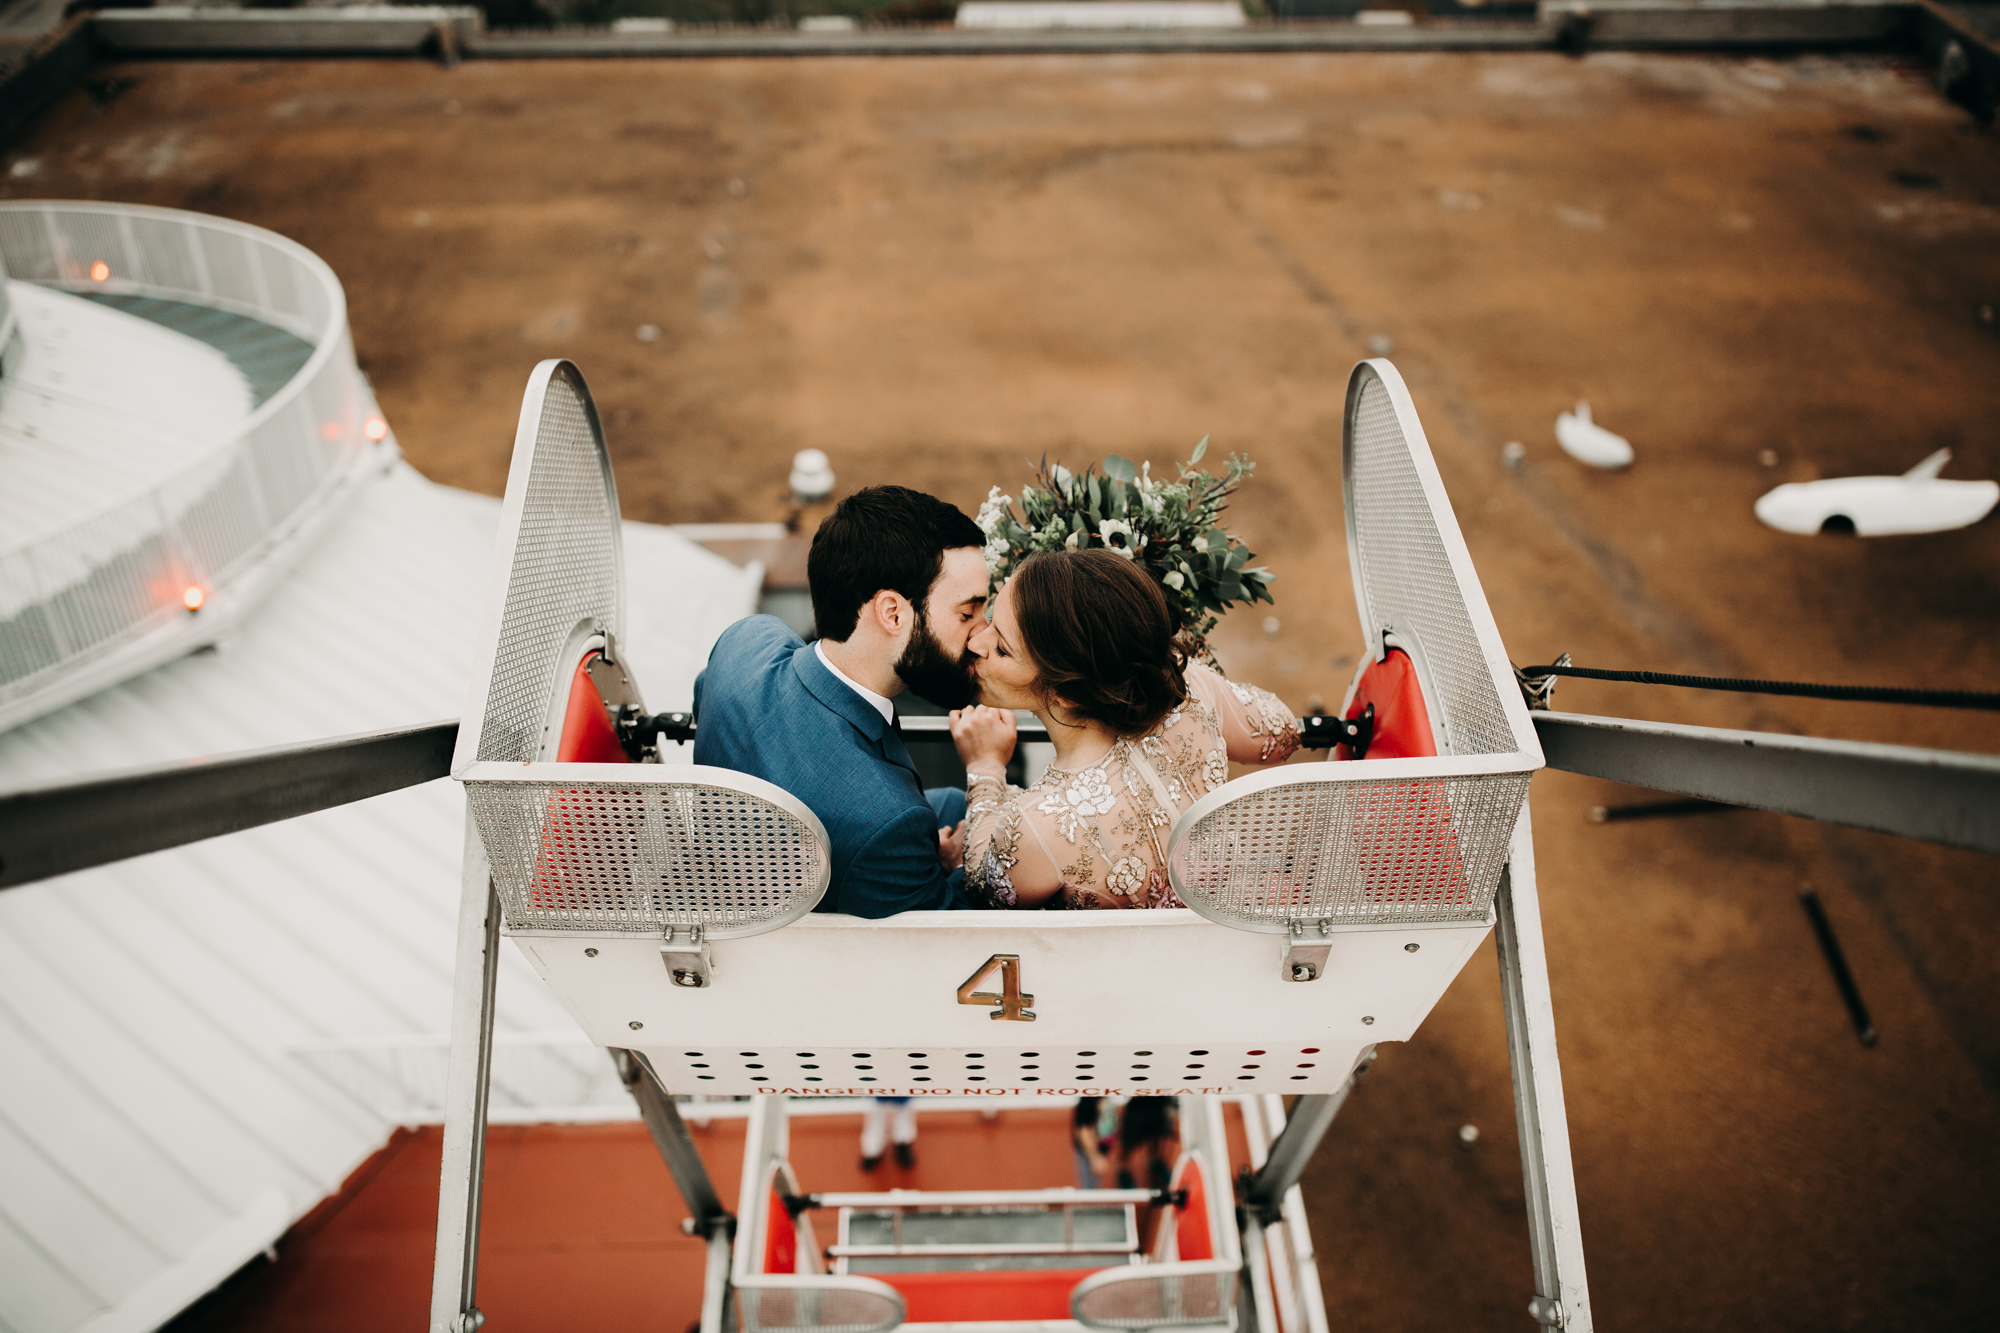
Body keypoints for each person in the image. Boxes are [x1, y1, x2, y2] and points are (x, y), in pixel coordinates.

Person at [948, 548, 1301, 910]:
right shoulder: (1190, 689)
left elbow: (982, 886)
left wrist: (985, 768)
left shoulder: (1038, 826)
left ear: (1066, 691)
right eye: (990, 620)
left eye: (1002, 649)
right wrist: (1200, 679)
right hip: (1247, 927)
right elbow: (1284, 736)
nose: (976, 643)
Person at [693, 486, 988, 917]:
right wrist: (959, 862)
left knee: (958, 806)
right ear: (892, 613)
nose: (984, 634)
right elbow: (947, 936)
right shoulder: (886, 823)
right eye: (968, 613)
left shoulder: (746, 641)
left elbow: (706, 692)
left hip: (729, 860)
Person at [861, 1096, 917, 1172]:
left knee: (903, 1119)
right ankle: (872, 1153)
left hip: (902, 1097)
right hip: (878, 1096)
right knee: (876, 1122)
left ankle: (902, 1146)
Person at [1072, 1096, 1115, 1188]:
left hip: (1101, 1152)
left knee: (1096, 1189)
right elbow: (1083, 1130)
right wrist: (1094, 1157)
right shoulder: (1088, 1100)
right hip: (1088, 1153)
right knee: (1090, 1190)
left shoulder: (1106, 1098)